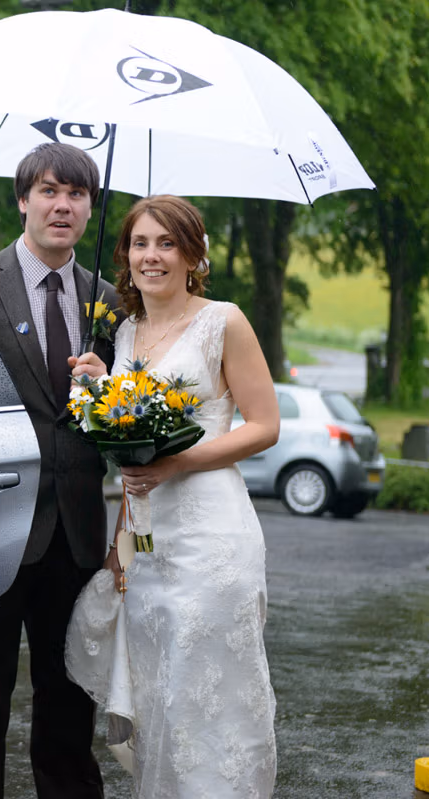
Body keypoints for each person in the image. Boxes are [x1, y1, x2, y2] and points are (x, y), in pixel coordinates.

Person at [66, 194, 280, 797]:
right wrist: (98, 386)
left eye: (166, 243)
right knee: (162, 693)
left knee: (209, 690)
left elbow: (264, 426)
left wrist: (174, 463)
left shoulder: (224, 320)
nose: (151, 256)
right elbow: (135, 440)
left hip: (211, 532)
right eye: (139, 243)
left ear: (193, 255)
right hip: (149, 541)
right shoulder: (126, 330)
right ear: (125, 255)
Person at [0, 142, 120, 799]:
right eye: (48, 190)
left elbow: (127, 414)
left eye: (76, 195)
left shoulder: (110, 300)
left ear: (90, 207)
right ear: (22, 199)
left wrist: (107, 388)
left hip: (75, 531)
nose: (62, 205)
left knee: (71, 693)